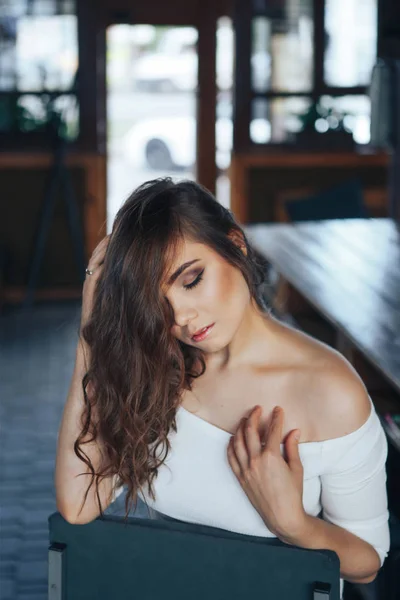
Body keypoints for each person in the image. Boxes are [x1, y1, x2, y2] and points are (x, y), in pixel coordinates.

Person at [55, 177, 390, 598]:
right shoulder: (157, 367)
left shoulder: (330, 390)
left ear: (235, 244)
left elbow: (368, 563)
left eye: (191, 280)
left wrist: (294, 525)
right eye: (157, 303)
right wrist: (91, 332)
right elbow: (79, 502)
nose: (181, 316)